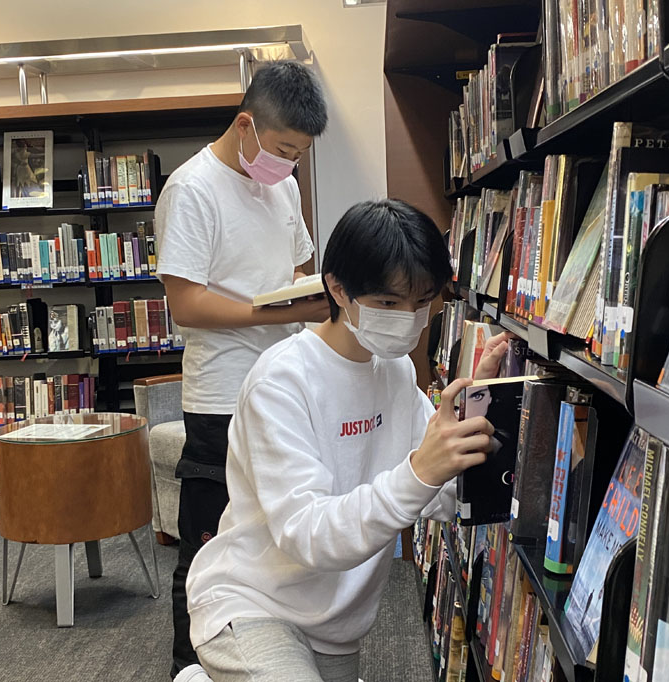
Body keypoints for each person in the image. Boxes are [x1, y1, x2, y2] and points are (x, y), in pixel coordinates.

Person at [184, 199, 510, 682]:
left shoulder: (396, 372)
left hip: (335, 626)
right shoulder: (281, 382)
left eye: (422, 302)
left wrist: (480, 420)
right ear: (337, 289)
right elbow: (307, 533)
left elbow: (439, 497)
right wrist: (420, 471)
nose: (409, 319)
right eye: (389, 304)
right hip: (251, 603)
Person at [154, 60, 330, 678]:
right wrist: (282, 310)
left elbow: (296, 265)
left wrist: (309, 294)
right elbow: (186, 304)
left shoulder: (281, 185)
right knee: (210, 546)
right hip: (222, 397)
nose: (289, 164)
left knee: (276, 538)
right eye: (283, 150)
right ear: (245, 125)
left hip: (284, 385)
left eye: (299, 155)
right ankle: (190, 667)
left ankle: (270, 653)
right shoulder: (192, 189)